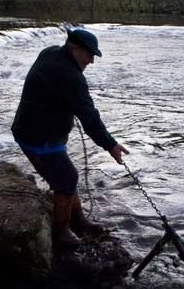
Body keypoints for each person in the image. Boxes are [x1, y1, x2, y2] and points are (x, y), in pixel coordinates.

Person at [11, 27, 129, 247]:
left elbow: (51, 89)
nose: (92, 61)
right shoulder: (70, 76)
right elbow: (90, 118)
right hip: (38, 135)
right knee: (66, 178)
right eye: (90, 54)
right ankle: (61, 231)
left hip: (33, 128)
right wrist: (111, 145)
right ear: (74, 48)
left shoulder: (51, 52)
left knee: (66, 175)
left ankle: (78, 220)